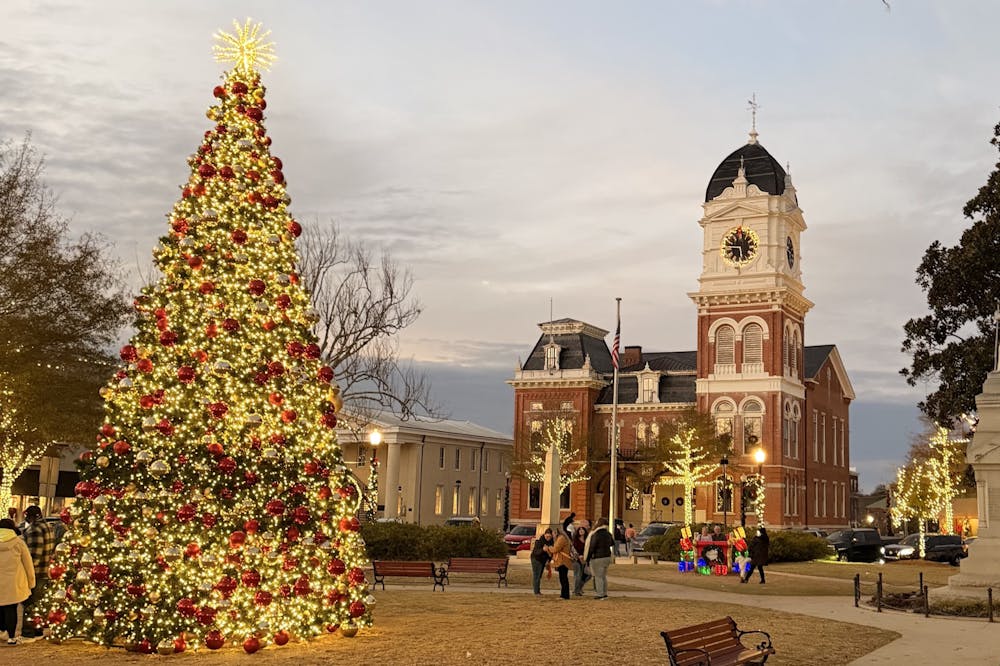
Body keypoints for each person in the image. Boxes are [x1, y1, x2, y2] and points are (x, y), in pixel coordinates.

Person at [0, 518, 35, 646]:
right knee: (11, 609)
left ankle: (1, 630)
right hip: (13, 583)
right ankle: (11, 637)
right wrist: (31, 583)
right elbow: (28, 564)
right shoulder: (18, 543)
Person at [20, 506, 53, 638]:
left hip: (36, 573)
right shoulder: (48, 527)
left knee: (30, 603)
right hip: (45, 571)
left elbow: (34, 555)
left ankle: (28, 632)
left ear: (30, 516)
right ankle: (38, 629)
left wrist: (27, 572)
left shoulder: (35, 530)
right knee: (39, 603)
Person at [583, 518, 614, 600]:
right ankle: (604, 593)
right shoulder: (608, 533)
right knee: (603, 576)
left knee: (598, 576)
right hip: (607, 556)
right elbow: (612, 543)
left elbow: (592, 547)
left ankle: (600, 594)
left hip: (597, 557)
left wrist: (587, 558)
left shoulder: (595, 534)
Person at [550, 529, 573, 600]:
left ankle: (565, 595)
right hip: (562, 560)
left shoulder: (561, 538)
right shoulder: (561, 538)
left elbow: (555, 549)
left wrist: (549, 548)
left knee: (563, 578)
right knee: (563, 578)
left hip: (563, 561)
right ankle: (564, 595)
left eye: (553, 533)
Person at [530, 528, 554, 595]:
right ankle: (536, 591)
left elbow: (551, 554)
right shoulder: (539, 541)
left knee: (539, 575)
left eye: (550, 537)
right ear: (544, 535)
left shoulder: (551, 542)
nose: (548, 538)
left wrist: (548, 560)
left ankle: (537, 590)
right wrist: (543, 550)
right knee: (536, 575)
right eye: (547, 536)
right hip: (536, 559)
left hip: (543, 561)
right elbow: (536, 552)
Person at [571, 525, 590, 596]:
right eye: (580, 530)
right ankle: (576, 591)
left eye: (582, 529)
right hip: (576, 560)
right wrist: (579, 556)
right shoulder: (575, 540)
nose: (581, 531)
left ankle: (579, 588)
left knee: (587, 575)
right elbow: (572, 550)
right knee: (578, 575)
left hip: (584, 560)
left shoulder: (587, 540)